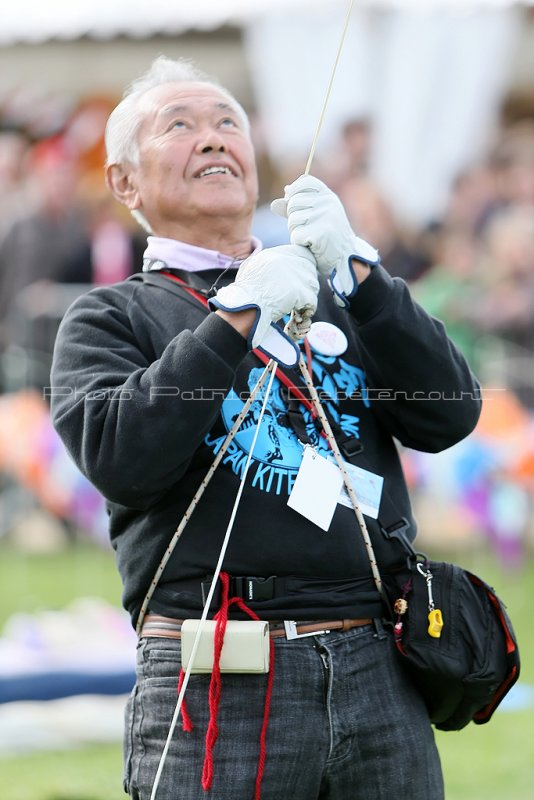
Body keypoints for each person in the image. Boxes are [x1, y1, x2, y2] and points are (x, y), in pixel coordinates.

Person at [50, 56, 482, 800]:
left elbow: (448, 412)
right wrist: (236, 317)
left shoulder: (334, 291)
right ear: (125, 182)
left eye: (229, 124)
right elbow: (124, 458)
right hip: (223, 667)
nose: (214, 139)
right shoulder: (110, 317)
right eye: (180, 126)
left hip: (379, 659)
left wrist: (361, 273)